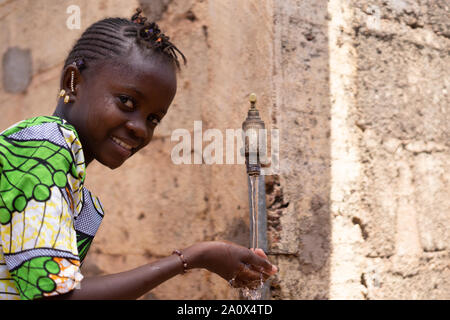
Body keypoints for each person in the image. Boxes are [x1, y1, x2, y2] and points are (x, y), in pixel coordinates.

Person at [0, 8, 277, 300]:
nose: (140, 129)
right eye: (127, 102)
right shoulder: (41, 148)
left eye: (153, 119)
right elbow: (56, 298)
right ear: (73, 82)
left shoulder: (66, 174)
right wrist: (193, 258)